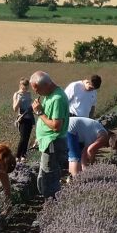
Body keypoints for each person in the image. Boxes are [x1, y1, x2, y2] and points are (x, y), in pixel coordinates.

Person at [29, 71, 69, 199]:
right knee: (44, 175)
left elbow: (57, 127)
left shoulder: (57, 98)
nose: (36, 93)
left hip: (53, 143)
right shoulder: (49, 95)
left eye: (37, 89)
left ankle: (52, 204)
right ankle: (50, 201)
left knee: (49, 176)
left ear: (46, 85)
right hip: (47, 141)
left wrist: (39, 112)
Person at [12, 78, 35, 162]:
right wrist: (19, 100)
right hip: (22, 118)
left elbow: (30, 104)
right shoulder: (17, 94)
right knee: (23, 138)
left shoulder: (29, 94)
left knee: (27, 137)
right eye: (24, 85)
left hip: (30, 117)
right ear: (20, 85)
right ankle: (17, 155)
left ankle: (23, 155)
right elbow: (15, 108)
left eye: (27, 86)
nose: (25, 87)